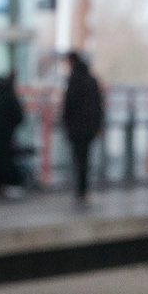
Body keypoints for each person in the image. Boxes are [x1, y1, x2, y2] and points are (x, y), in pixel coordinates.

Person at [61, 52, 104, 204]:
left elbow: (68, 105)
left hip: (76, 127)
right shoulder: (92, 80)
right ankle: (84, 189)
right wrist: (98, 125)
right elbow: (99, 105)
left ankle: (80, 189)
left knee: (78, 158)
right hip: (89, 127)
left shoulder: (73, 80)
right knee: (85, 158)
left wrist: (65, 123)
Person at [0, 71, 27, 196]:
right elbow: (19, 116)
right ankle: (6, 184)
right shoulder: (9, 96)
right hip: (7, 134)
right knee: (6, 159)